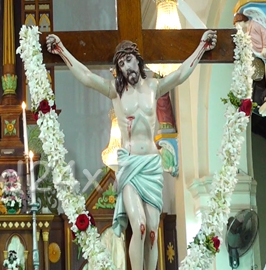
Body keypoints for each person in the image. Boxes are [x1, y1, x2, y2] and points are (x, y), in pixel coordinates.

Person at [46, 31, 216, 270]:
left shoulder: (154, 86)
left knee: (153, 231)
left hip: (152, 165)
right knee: (141, 226)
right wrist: (61, 50)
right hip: (130, 165)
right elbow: (86, 77)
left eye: (129, 60)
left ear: (138, 59)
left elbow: (180, 74)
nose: (126, 67)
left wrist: (202, 47)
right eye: (121, 64)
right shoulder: (116, 92)